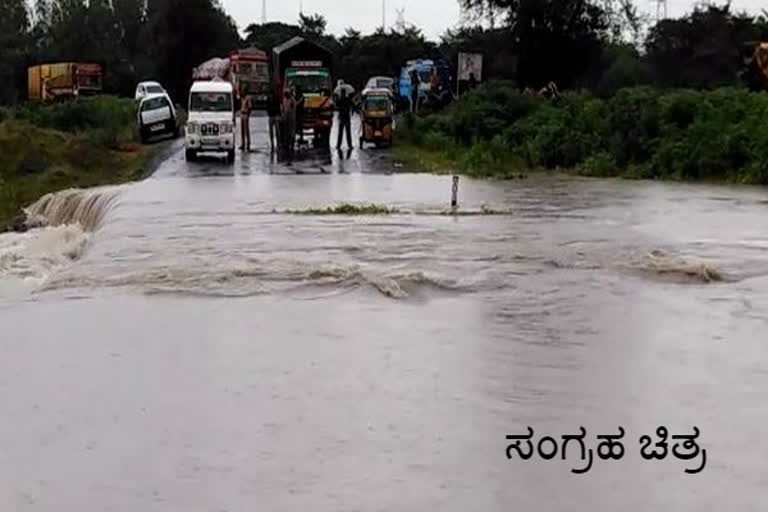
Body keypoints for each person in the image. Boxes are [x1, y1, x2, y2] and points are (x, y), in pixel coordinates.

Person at [281, 89, 296, 158]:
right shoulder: (284, 100)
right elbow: (283, 109)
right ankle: (286, 144)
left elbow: (294, 107)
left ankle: (292, 144)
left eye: (287, 93)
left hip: (291, 118)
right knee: (286, 132)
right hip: (285, 118)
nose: (286, 95)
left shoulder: (292, 100)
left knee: (291, 132)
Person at [239, 87, 252, 152]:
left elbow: (250, 107)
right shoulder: (242, 98)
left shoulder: (248, 98)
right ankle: (243, 143)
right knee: (242, 130)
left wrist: (248, 115)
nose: (242, 92)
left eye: (243, 91)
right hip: (242, 114)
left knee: (246, 130)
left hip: (246, 114)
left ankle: (248, 143)